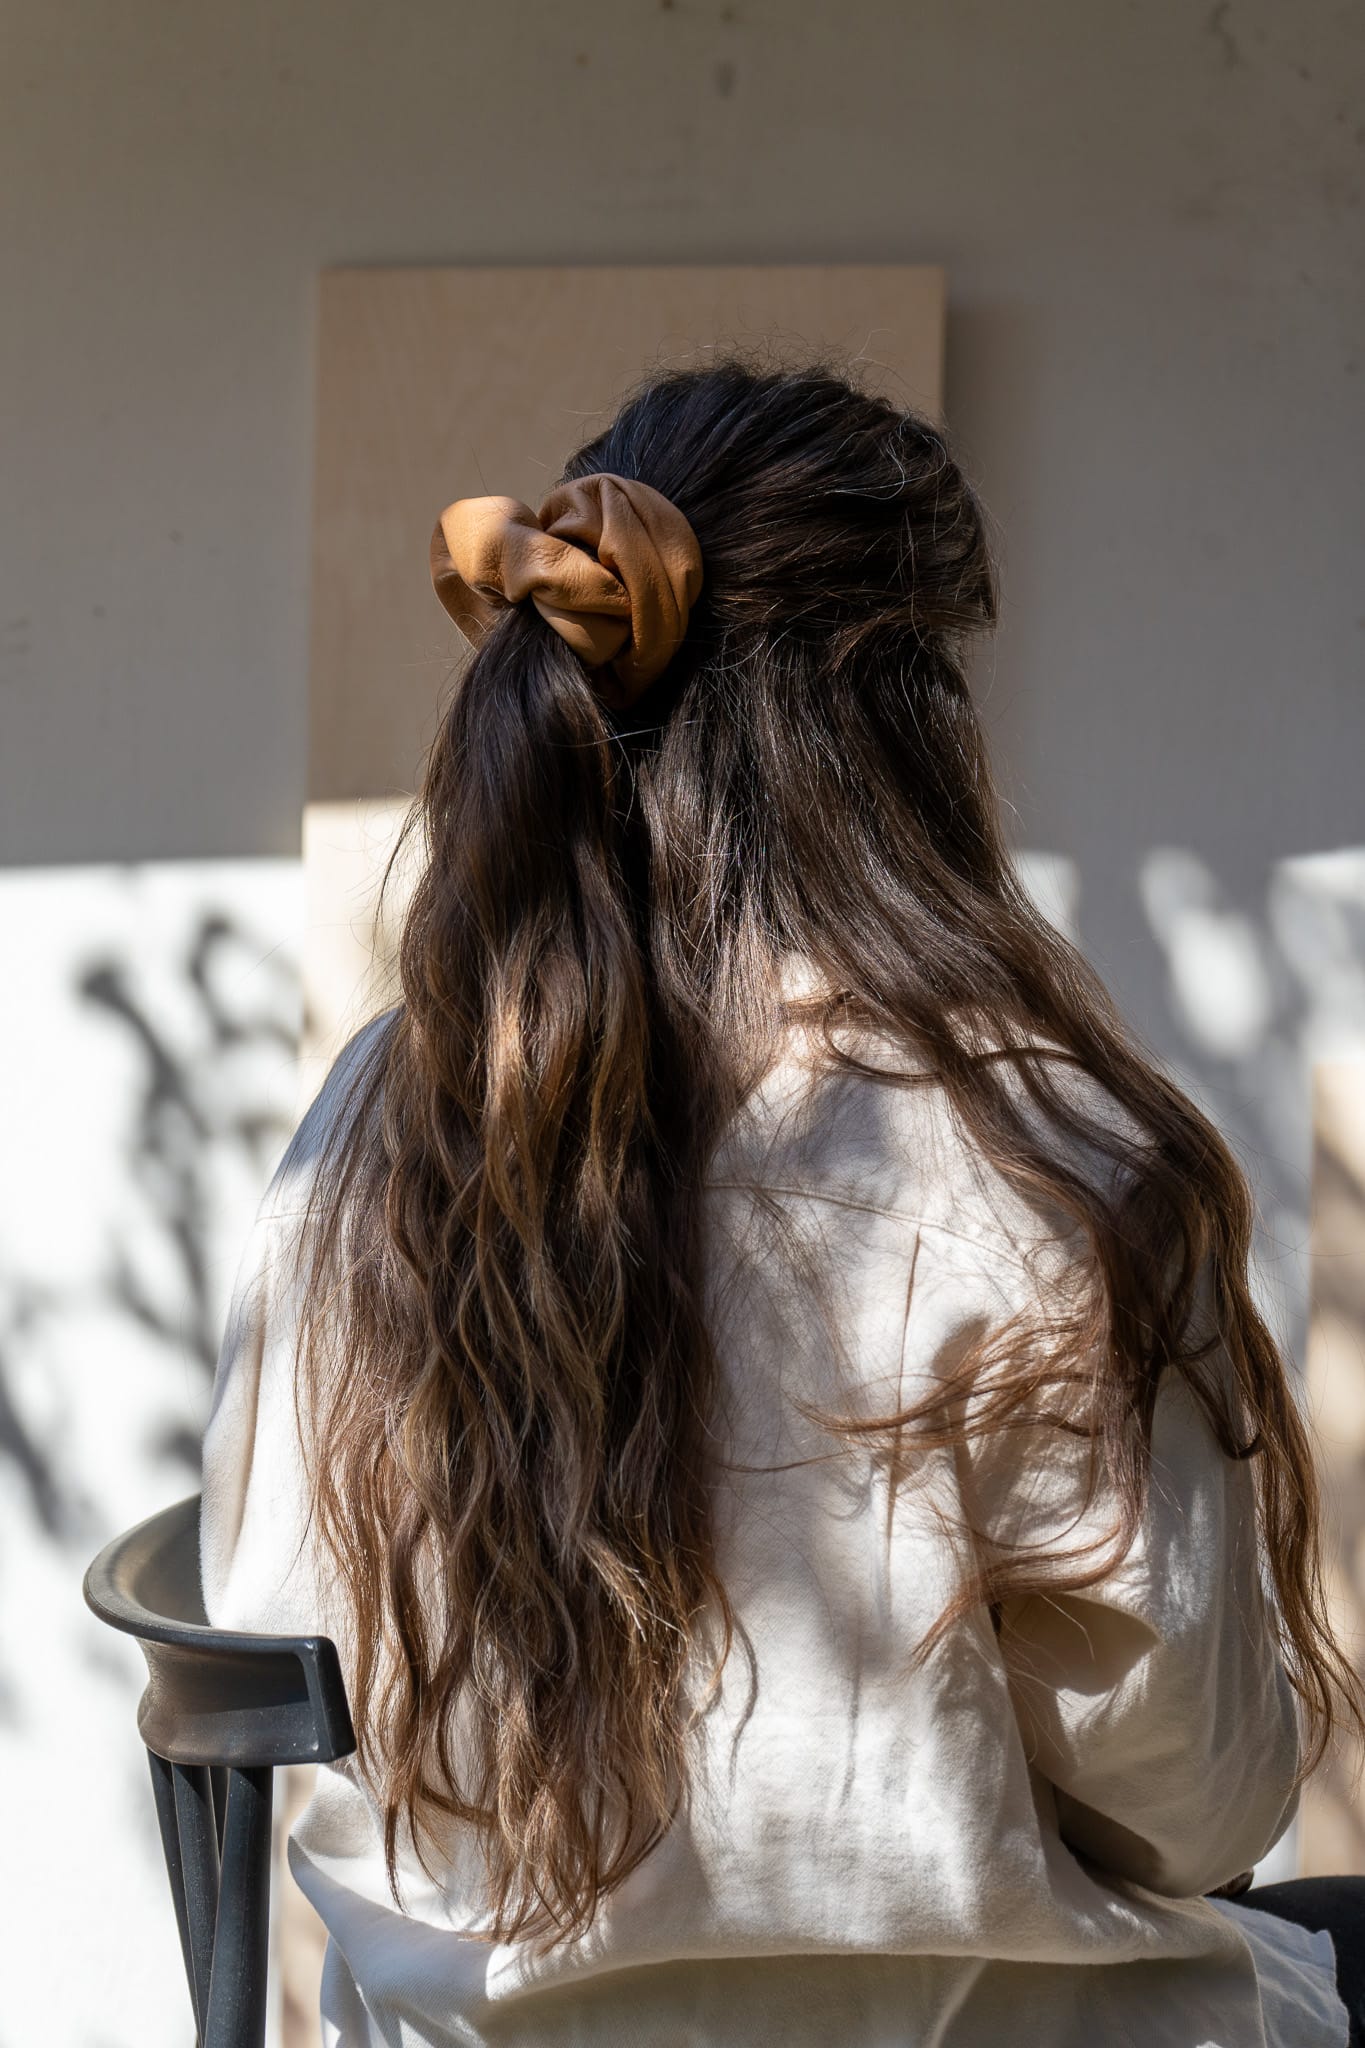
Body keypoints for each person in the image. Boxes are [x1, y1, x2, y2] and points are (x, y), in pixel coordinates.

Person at [201, 359, 1364, 2047]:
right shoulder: (1046, 1163)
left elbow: (271, 1640)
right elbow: (1193, 1810)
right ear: (904, 726)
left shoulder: (374, 1127)